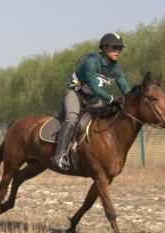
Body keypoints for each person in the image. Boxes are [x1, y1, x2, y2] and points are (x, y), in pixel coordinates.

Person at [51, 33, 131, 171]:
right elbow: (94, 86)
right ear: (105, 47)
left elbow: (124, 87)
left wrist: (132, 99)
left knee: (103, 120)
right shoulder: (91, 62)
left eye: (120, 49)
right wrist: (111, 99)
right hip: (75, 93)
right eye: (114, 48)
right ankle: (59, 156)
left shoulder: (116, 68)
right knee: (72, 118)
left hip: (92, 98)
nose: (118, 51)